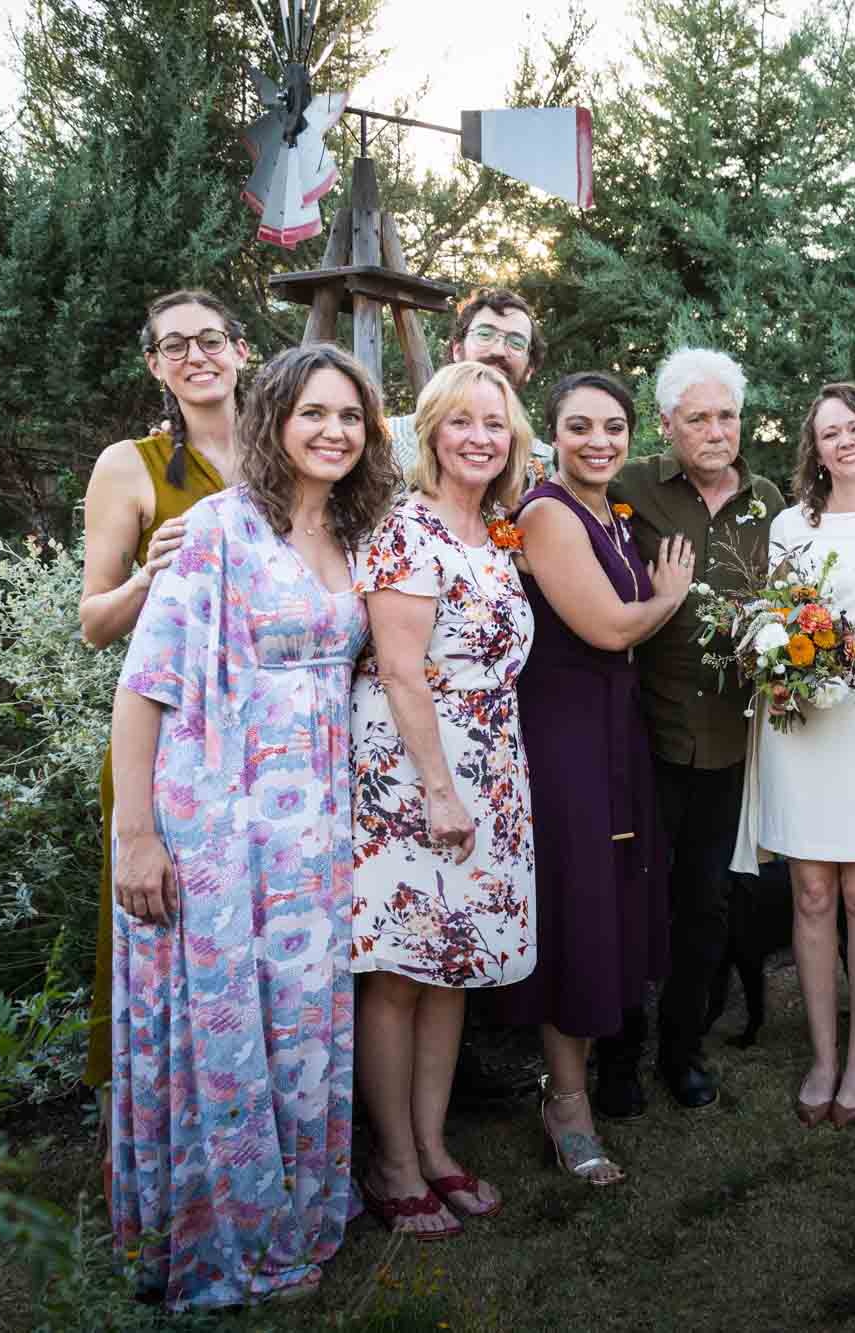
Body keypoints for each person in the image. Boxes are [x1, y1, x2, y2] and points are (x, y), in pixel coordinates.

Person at [108, 343, 398, 1308]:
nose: (334, 431)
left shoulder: (359, 535)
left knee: (303, 1016)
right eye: (314, 412)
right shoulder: (217, 530)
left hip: (316, 817)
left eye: (350, 416)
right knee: (229, 1020)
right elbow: (141, 686)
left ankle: (299, 1206)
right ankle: (223, 1230)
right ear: (274, 419)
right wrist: (137, 833)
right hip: (218, 812)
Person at [484, 370, 695, 1185]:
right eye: (580, 427)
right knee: (578, 912)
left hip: (616, 730)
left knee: (610, 903)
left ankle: (581, 1085)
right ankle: (565, 1104)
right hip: (564, 737)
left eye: (613, 427)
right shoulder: (546, 512)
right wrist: (669, 596)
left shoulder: (614, 512)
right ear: (552, 434)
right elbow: (609, 629)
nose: (598, 441)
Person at [349, 360, 537, 1236]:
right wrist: (438, 789)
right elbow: (396, 669)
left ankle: (434, 1143)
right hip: (415, 768)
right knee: (400, 969)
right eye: (462, 422)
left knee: (454, 966)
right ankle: (389, 1159)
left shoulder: (495, 530)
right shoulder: (406, 527)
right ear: (431, 432)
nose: (480, 438)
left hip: (491, 762)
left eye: (494, 424)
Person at [601, 347, 785, 1117]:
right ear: (669, 425)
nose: (716, 430)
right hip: (641, 733)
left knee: (705, 903)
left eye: (728, 415)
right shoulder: (630, 489)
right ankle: (616, 1057)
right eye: (699, 417)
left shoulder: (772, 502)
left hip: (729, 741)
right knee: (629, 898)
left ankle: (682, 1050)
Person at [76, 290, 248, 1099]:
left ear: (242, 350)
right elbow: (93, 624)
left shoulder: (289, 453)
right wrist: (150, 576)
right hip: (171, 747)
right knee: (169, 949)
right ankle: (163, 1129)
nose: (195, 356)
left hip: (273, 750)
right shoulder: (131, 465)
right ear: (155, 365)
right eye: (173, 346)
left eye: (210, 339)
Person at [742, 383, 855, 1129]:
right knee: (811, 891)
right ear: (812, 450)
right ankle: (822, 1053)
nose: (844, 440)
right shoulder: (792, 524)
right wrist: (785, 669)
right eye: (828, 432)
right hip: (808, 726)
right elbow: (775, 620)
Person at [388, 288, 548, 479]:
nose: (498, 350)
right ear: (457, 350)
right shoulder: (388, 441)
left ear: (529, 369)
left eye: (516, 342)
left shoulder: (543, 464)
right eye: (485, 334)